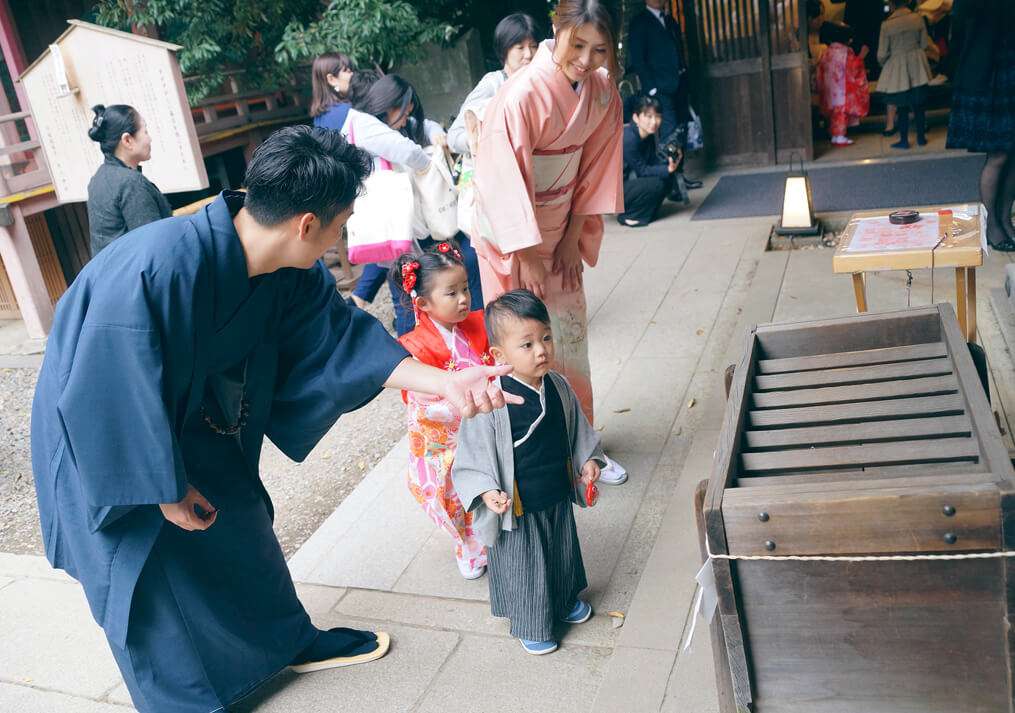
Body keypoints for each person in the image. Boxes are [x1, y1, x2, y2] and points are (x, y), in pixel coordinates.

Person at [30, 125, 523, 713]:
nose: (342, 239)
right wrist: (162, 488)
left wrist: (446, 379)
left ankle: (289, 639)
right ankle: (185, 702)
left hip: (188, 419)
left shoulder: (289, 269)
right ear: (307, 225)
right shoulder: (153, 268)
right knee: (148, 575)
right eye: (341, 225)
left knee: (239, 521)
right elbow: (105, 387)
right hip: (106, 438)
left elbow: (342, 341)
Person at [473, 0, 628, 485]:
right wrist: (526, 252)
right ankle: (527, 454)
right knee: (520, 340)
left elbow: (599, 166)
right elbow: (498, 179)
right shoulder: (521, 94)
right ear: (557, 28)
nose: (585, 58)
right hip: (510, 236)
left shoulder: (602, 94)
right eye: (577, 44)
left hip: (561, 227)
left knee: (567, 339)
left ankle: (584, 447)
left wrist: (570, 237)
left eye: (599, 49)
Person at [452, 289, 604, 655]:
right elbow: (470, 456)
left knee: (561, 552)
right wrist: (487, 490)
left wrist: (587, 460)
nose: (542, 350)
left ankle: (565, 600)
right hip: (516, 502)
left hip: (554, 487)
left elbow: (577, 430)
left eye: (546, 338)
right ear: (498, 355)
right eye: (527, 344)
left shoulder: (559, 386)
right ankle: (531, 623)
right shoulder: (490, 399)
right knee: (526, 564)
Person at [346, 75, 484, 335]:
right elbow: (411, 154)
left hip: (436, 223)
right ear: (384, 104)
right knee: (407, 296)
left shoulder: (405, 126)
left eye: (410, 105)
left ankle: (474, 334)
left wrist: (437, 135)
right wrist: (428, 166)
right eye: (402, 105)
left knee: (467, 266)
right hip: (408, 232)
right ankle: (415, 356)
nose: (408, 111)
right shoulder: (372, 134)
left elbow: (428, 126)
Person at [392, 241, 491, 580]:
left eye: (465, 288)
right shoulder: (413, 347)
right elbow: (420, 403)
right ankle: (467, 543)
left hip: (482, 424)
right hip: (442, 439)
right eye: (452, 293)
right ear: (423, 303)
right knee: (447, 494)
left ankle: (493, 531)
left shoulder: (478, 324)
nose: (464, 298)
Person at [947, 0, 1015, 250]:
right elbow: (959, 29)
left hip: (1008, 65)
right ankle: (992, 225)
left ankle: (1006, 220)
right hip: (987, 68)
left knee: (1013, 152)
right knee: (999, 153)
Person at [625, 0, 702, 192]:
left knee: (680, 132)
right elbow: (638, 60)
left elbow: (679, 52)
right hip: (659, 90)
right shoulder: (639, 23)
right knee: (669, 135)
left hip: (679, 86)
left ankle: (679, 177)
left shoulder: (670, 20)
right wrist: (651, 89)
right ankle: (673, 184)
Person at [447, 12, 541, 165]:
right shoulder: (493, 84)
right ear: (504, 50)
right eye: (520, 47)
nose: (529, 54)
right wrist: (481, 138)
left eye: (533, 46)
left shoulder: (539, 86)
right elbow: (454, 137)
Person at [85, 104, 171, 256]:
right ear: (127, 140)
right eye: (145, 131)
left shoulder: (98, 179)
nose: (149, 138)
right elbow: (156, 248)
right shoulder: (130, 183)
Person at [878, 0, 932, 149]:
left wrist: (887, 64)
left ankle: (904, 140)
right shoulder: (918, 18)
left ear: (892, 4)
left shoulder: (887, 25)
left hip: (898, 65)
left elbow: (882, 54)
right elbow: (924, 44)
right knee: (919, 103)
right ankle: (921, 138)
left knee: (901, 104)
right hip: (917, 63)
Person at [618, 95, 679, 227]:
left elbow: (652, 162)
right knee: (657, 182)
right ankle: (626, 215)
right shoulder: (628, 140)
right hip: (613, 192)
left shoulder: (647, 134)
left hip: (628, 184)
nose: (654, 122)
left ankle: (644, 212)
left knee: (665, 177)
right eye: (649, 117)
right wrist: (666, 169)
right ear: (636, 118)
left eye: (658, 116)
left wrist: (671, 162)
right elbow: (643, 170)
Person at [816, 23, 871, 146]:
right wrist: (862, 56)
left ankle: (835, 135)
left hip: (829, 88)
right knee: (841, 111)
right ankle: (839, 136)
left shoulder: (826, 52)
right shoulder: (846, 52)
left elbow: (820, 70)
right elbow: (854, 67)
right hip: (842, 88)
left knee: (834, 112)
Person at [310, 51, 355, 130]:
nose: (352, 74)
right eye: (346, 71)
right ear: (332, 79)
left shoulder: (320, 116)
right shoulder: (349, 112)